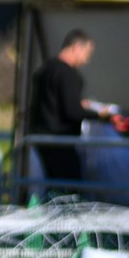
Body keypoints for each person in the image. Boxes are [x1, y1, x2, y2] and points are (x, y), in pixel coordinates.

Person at [28, 29, 112, 191]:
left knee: (47, 189)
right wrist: (98, 114)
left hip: (40, 140)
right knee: (70, 189)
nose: (86, 60)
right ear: (76, 48)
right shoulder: (69, 75)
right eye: (87, 53)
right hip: (61, 142)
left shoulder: (44, 70)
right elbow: (72, 111)